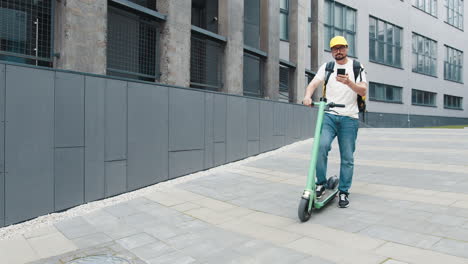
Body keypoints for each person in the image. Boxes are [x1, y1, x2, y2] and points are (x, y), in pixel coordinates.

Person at [302, 36, 368, 208]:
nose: (338, 51)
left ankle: (344, 191)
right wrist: (307, 96)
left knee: (347, 157)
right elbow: (313, 84)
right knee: (321, 147)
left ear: (346, 48)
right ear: (331, 51)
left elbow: (363, 90)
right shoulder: (327, 67)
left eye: (341, 48)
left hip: (349, 118)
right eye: (334, 48)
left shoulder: (356, 66)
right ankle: (321, 183)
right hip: (329, 115)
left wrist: (349, 83)